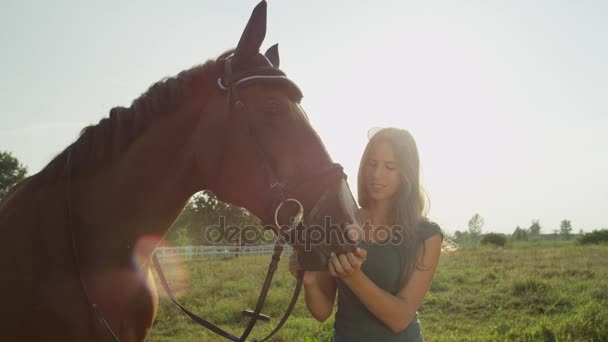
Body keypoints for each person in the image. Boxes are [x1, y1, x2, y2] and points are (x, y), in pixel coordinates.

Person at [289, 127, 443, 341]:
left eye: (390, 167)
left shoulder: (427, 235)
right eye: (371, 164)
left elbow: (400, 319)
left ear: (406, 173)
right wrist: (310, 281)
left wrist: (353, 277)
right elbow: (322, 312)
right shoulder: (339, 223)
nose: (376, 174)